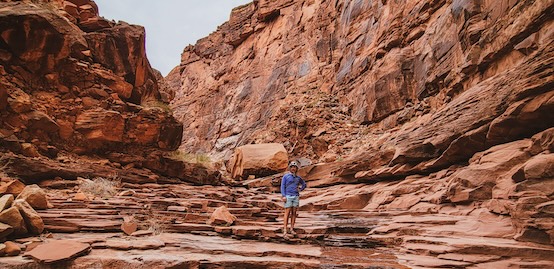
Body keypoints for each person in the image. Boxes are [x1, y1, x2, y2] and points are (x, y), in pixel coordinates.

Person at [280, 160, 306, 237]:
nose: (293, 168)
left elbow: (304, 184)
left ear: (296, 168)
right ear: (290, 168)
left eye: (295, 167)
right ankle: (285, 229)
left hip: (295, 196)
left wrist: (301, 189)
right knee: (287, 212)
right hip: (288, 196)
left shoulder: (298, 178)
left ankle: (291, 228)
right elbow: (282, 186)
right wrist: (283, 195)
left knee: (294, 213)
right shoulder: (286, 176)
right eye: (292, 167)